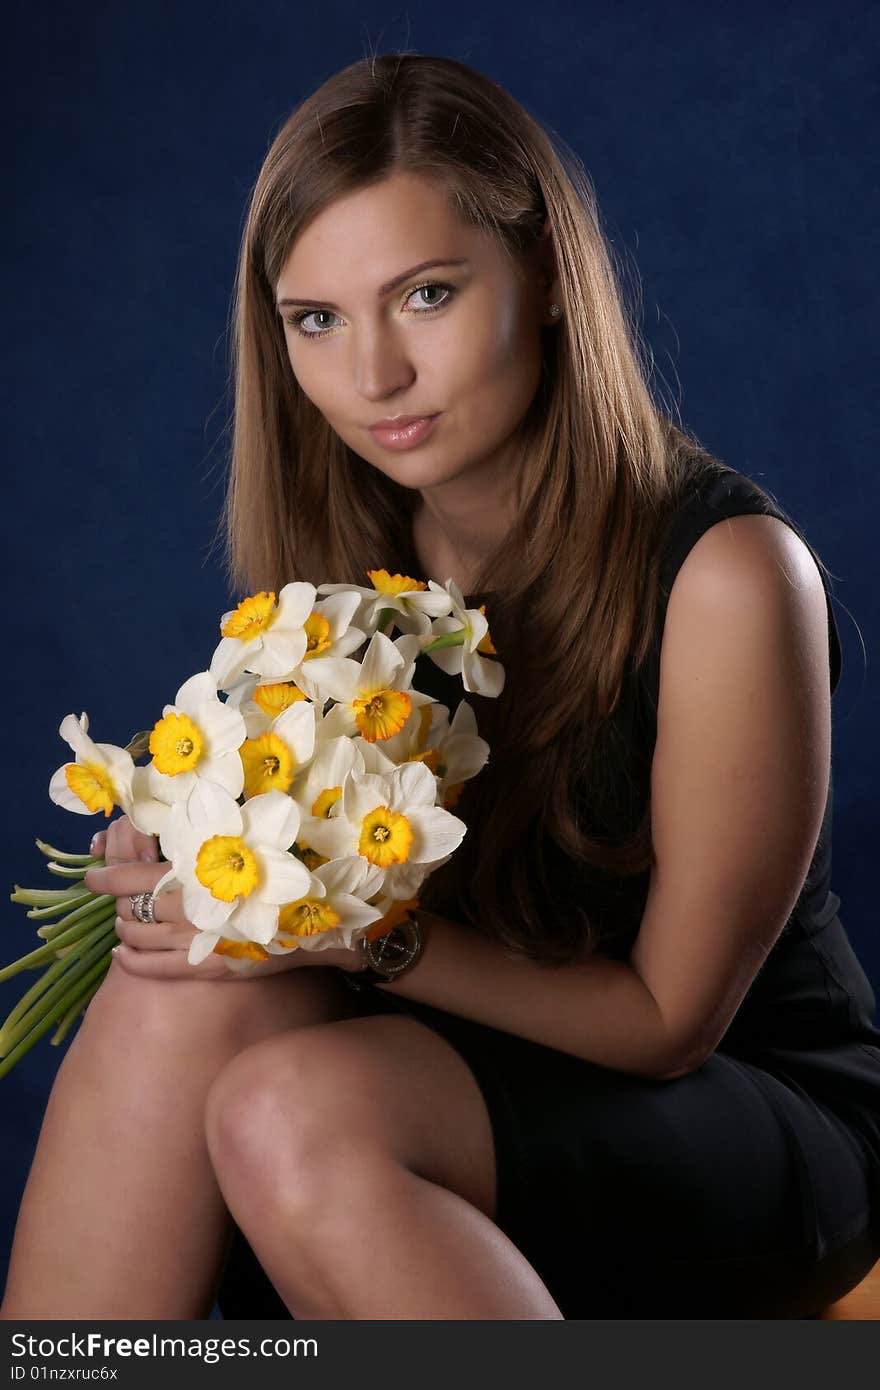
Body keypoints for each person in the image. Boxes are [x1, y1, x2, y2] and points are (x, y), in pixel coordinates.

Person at [3, 52, 879, 1323]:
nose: (373, 378)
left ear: (543, 280)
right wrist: (206, 861)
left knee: (284, 1105)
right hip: (472, 1077)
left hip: (749, 1108)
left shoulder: (729, 574)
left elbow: (668, 1023)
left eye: (424, 295)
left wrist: (358, 933)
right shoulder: (343, 578)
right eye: (317, 320)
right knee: (174, 995)